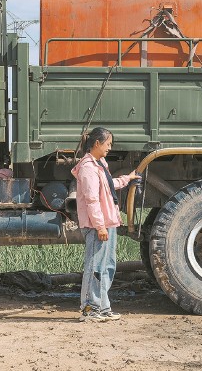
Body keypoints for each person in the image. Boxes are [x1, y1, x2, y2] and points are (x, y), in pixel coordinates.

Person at [70, 127, 141, 322]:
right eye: (108, 144)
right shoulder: (87, 168)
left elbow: (110, 186)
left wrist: (128, 178)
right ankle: (89, 309)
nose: (110, 147)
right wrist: (100, 226)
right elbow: (92, 200)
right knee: (95, 266)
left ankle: (102, 307)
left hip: (108, 222)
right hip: (97, 226)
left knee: (107, 266)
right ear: (96, 144)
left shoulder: (100, 164)